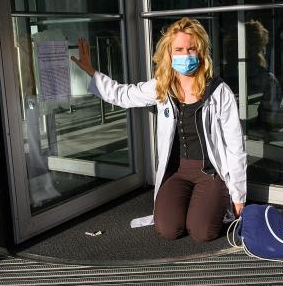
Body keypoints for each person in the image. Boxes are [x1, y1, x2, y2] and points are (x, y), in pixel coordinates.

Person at [71, 17, 246, 242]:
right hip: (177, 172)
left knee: (202, 232)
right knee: (168, 229)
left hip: (210, 173)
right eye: (179, 49)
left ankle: (206, 202)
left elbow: (235, 146)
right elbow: (123, 95)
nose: (186, 55)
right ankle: (193, 203)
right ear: (169, 54)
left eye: (191, 49)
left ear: (201, 52)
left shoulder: (219, 91)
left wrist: (239, 195)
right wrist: (91, 72)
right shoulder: (162, 87)